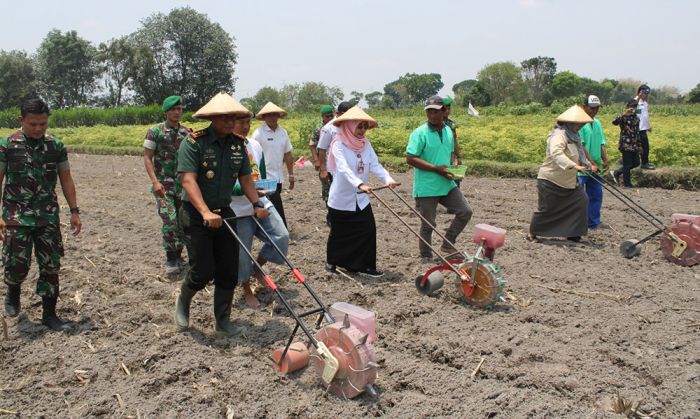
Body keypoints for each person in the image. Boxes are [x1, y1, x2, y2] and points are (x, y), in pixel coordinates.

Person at [174, 92, 268, 336]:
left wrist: (257, 204)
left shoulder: (238, 145)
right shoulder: (194, 143)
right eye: (224, 118)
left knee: (228, 269)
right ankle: (183, 300)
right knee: (202, 271)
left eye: (233, 117)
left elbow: (246, 179)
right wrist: (205, 211)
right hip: (196, 214)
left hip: (224, 212)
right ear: (212, 118)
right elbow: (188, 180)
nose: (230, 122)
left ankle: (223, 321)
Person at [0, 98, 81, 331]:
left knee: (51, 266)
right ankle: (13, 290)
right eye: (33, 124)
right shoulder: (7, 145)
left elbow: (66, 178)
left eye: (43, 124)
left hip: (47, 216)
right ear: (21, 121)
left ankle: (49, 314)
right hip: (16, 216)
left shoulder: (56, 146)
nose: (38, 129)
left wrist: (74, 211)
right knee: (16, 265)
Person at [325, 106, 396, 278]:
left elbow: (374, 164)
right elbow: (343, 168)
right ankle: (332, 261)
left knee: (368, 230)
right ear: (349, 125)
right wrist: (360, 184)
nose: (363, 131)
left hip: (360, 199)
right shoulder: (338, 144)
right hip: (341, 199)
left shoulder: (366, 145)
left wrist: (387, 179)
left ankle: (365, 266)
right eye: (359, 126)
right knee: (340, 234)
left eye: (365, 127)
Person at [230, 113, 289, 309]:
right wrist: (250, 190)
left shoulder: (254, 145)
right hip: (237, 208)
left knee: (281, 236)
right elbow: (225, 185)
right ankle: (246, 289)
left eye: (248, 122)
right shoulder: (225, 148)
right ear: (231, 123)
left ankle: (258, 268)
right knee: (242, 252)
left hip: (260, 202)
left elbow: (260, 175)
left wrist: (263, 190)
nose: (245, 126)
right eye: (241, 122)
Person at [406, 95, 473, 261]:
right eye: (429, 112)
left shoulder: (448, 130)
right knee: (428, 224)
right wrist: (436, 169)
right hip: (427, 186)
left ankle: (447, 243)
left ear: (444, 111)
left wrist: (454, 172)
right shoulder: (419, 133)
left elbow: (448, 154)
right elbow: (411, 158)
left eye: (435, 111)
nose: (432, 115)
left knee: (465, 211)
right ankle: (426, 256)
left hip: (447, 183)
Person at [527, 105, 592, 243]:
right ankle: (532, 232)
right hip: (551, 179)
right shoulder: (559, 135)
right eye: (578, 123)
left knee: (581, 200)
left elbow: (579, 153)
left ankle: (573, 233)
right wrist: (575, 166)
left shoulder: (575, 137)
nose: (580, 126)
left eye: (582, 124)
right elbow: (557, 154)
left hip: (568, 182)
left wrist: (587, 165)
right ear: (570, 123)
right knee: (547, 209)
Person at [143, 95, 190, 275]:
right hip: (163, 186)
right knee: (169, 220)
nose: (177, 112)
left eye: (179, 109)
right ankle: (171, 259)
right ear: (166, 111)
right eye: (173, 109)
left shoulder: (186, 133)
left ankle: (179, 256)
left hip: (182, 186)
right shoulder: (155, 132)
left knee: (182, 222)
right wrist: (155, 181)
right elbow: (147, 157)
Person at [251, 102, 294, 228]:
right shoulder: (258, 133)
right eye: (268, 115)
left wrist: (291, 174)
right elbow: (252, 156)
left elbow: (288, 154)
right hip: (265, 177)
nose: (272, 117)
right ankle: (282, 230)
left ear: (278, 116)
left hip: (279, 176)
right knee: (276, 204)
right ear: (264, 117)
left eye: (274, 114)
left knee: (271, 204)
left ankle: (267, 228)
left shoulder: (283, 132)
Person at [577, 95, 608, 229]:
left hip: (596, 166)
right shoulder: (580, 124)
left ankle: (593, 222)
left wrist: (605, 160)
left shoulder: (597, 123)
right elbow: (581, 146)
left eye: (596, 108)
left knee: (596, 195)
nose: (594, 111)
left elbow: (602, 142)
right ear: (584, 107)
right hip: (582, 167)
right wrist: (590, 163)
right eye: (592, 108)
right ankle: (576, 223)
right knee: (578, 197)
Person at [317, 101, 353, 214]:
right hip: (333, 169)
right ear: (338, 114)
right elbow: (322, 150)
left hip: (348, 168)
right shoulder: (328, 128)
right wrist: (323, 171)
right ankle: (332, 219)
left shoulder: (351, 126)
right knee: (334, 196)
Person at [612, 99, 642, 188]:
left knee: (636, 163)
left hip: (634, 144)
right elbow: (614, 122)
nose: (633, 108)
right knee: (628, 164)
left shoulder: (636, 118)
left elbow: (637, 132)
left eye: (635, 106)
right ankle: (627, 183)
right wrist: (624, 114)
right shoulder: (623, 116)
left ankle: (617, 172)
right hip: (625, 144)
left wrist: (640, 145)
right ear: (628, 106)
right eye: (632, 106)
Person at [309, 105, 335, 172]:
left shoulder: (337, 126)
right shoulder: (318, 129)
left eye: (331, 116)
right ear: (322, 117)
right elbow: (312, 145)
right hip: (323, 159)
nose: (330, 118)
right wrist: (316, 160)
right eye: (327, 116)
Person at [635, 84, 655, 170]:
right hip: (637, 129)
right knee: (642, 147)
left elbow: (645, 117)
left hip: (643, 129)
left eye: (647, 94)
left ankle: (645, 162)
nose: (647, 95)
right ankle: (644, 163)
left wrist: (648, 127)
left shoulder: (645, 104)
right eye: (645, 93)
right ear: (640, 93)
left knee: (645, 146)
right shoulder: (635, 103)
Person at [442, 97, 462, 166]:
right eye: (445, 109)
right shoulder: (435, 123)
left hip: (450, 155)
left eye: (449, 109)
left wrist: (458, 156)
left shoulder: (451, 123)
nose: (447, 111)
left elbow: (454, 140)